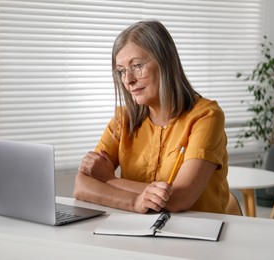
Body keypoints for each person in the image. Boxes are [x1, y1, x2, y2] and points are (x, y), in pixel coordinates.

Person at [73, 20, 229, 214]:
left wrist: (110, 180)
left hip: (201, 234)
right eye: (121, 71)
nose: (128, 80)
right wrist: (135, 202)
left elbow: (179, 198)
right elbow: (82, 185)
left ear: (166, 63)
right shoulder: (123, 119)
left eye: (137, 66)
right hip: (138, 231)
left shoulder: (206, 116)